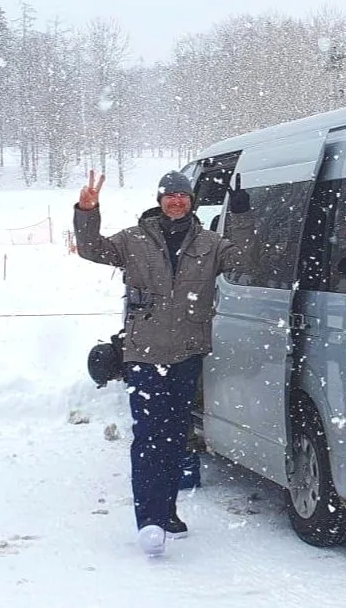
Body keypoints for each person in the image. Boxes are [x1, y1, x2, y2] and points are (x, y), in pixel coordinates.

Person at [73, 169, 255, 558]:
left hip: (186, 354)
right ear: (160, 201)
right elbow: (91, 249)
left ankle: (168, 510)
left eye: (182, 195)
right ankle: (149, 519)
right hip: (144, 354)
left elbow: (244, 260)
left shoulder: (209, 243)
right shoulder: (135, 240)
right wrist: (87, 211)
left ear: (191, 201)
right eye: (169, 195)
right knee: (148, 436)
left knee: (174, 437)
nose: (176, 201)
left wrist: (240, 217)